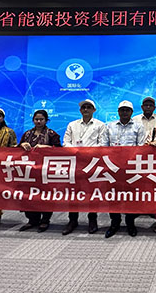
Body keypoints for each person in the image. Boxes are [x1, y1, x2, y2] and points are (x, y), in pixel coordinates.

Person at [102, 100, 147, 237]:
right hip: (113, 168)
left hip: (131, 167)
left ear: (131, 112)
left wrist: (128, 160)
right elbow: (104, 146)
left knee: (131, 196)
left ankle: (130, 222)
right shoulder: (109, 126)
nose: (124, 112)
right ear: (118, 111)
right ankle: (114, 223)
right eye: (122, 110)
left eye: (127, 110)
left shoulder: (138, 126)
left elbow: (141, 147)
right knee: (113, 196)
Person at [62, 99, 106, 235]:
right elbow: (65, 143)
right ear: (80, 110)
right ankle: (72, 220)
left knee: (92, 192)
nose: (86, 109)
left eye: (89, 107)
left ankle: (92, 220)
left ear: (94, 110)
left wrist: (87, 152)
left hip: (92, 163)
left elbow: (103, 144)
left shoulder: (100, 125)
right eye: (84, 107)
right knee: (73, 192)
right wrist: (77, 151)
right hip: (75, 162)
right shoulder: (72, 125)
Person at [18, 110, 61, 233]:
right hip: (29, 171)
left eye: (41, 119)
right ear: (33, 120)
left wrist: (47, 147)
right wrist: (22, 145)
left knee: (45, 195)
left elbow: (60, 150)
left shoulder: (52, 134)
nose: (38, 121)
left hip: (45, 171)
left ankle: (45, 220)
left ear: (46, 120)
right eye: (36, 119)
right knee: (29, 195)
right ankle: (32, 220)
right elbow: (16, 150)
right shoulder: (27, 134)